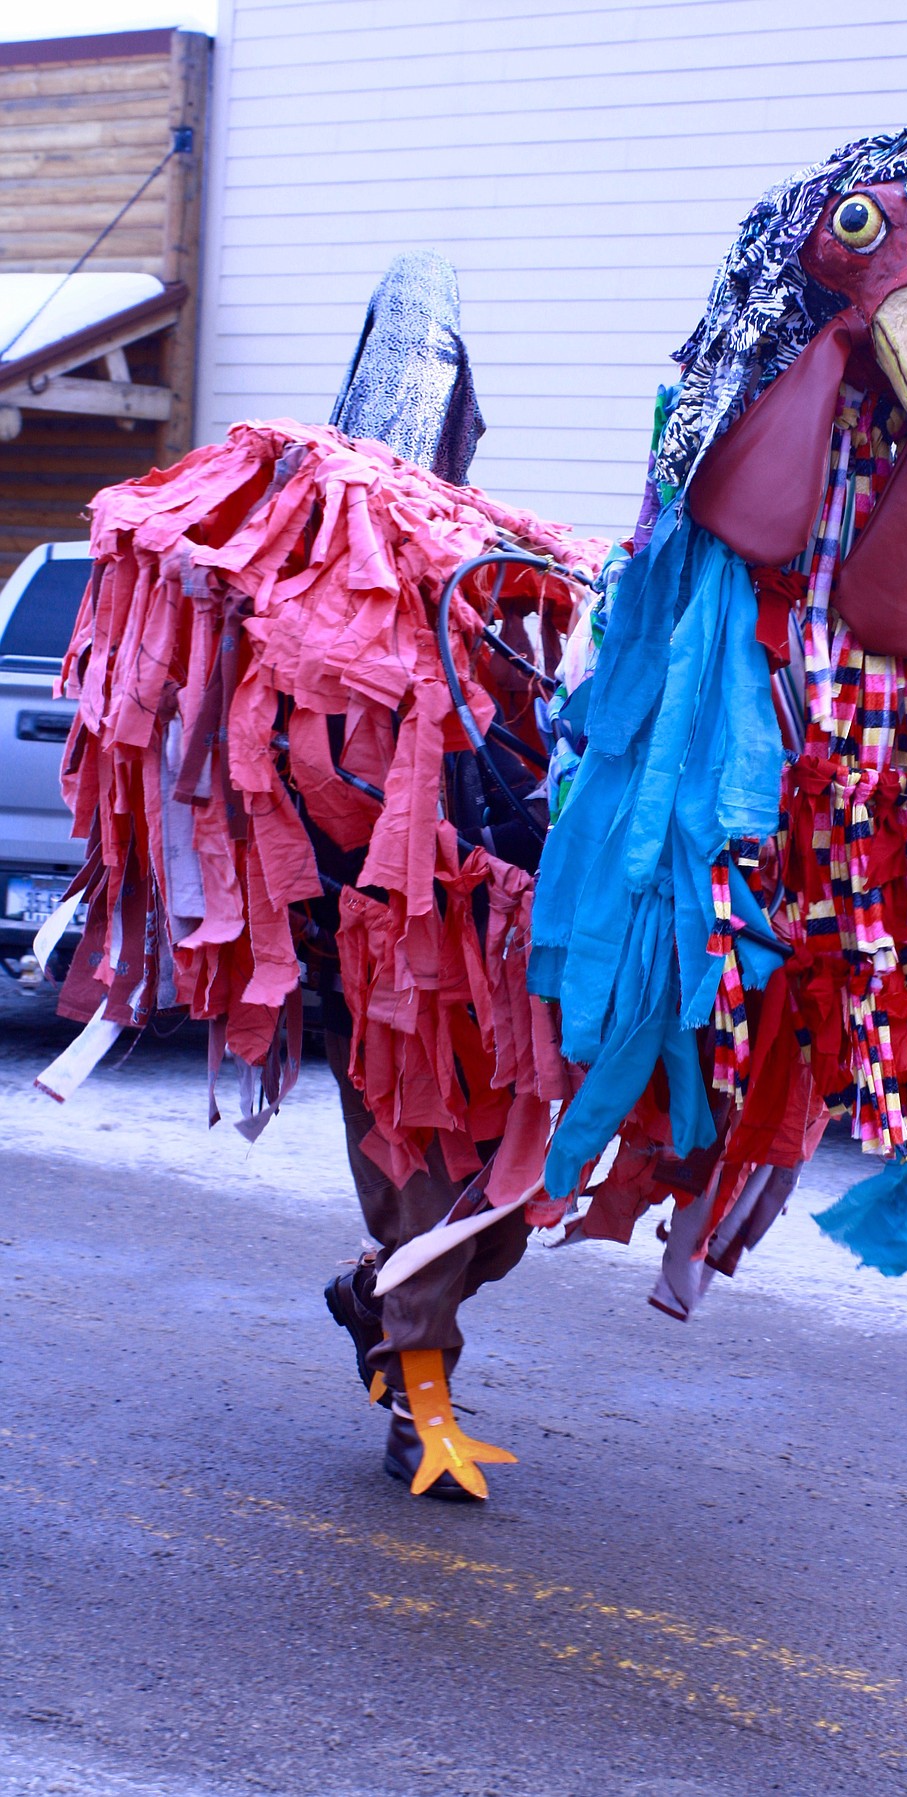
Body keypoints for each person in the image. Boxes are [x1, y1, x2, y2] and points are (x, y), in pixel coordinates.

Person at [318, 252, 524, 1501]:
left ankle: (368, 1300)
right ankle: (419, 1404)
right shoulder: (294, 583)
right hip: (361, 962)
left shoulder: (474, 579)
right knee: (418, 1190)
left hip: (480, 947)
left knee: (500, 1202)